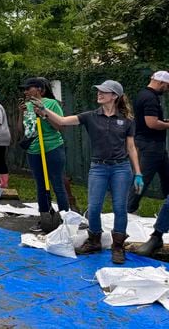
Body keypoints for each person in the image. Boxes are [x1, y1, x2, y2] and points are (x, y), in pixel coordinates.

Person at [34, 79, 143, 264]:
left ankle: (117, 246)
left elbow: (131, 147)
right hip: (98, 167)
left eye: (104, 91)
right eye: (98, 90)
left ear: (114, 96)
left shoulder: (126, 120)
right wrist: (44, 111)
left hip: (121, 168)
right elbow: (62, 121)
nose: (99, 93)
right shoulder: (90, 116)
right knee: (93, 208)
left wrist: (138, 173)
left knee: (119, 208)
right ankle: (94, 241)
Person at [20, 77, 70, 232]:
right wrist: (19, 113)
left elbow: (60, 126)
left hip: (52, 148)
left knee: (57, 183)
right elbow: (23, 131)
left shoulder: (51, 104)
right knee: (40, 185)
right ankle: (44, 219)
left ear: (40, 89)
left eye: (29, 88)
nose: (26, 91)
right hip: (34, 150)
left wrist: (44, 114)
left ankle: (65, 221)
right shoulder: (27, 106)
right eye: (25, 89)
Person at [127, 70, 169, 214]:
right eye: (167, 86)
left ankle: (167, 207)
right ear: (161, 82)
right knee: (142, 178)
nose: (167, 89)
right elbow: (151, 123)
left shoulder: (142, 94)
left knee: (167, 177)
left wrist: (163, 122)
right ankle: (128, 210)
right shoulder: (150, 98)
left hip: (151, 143)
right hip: (151, 145)